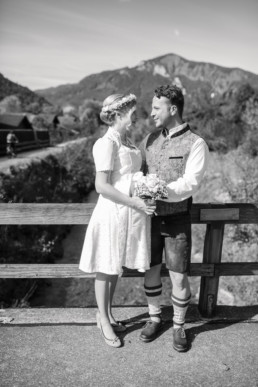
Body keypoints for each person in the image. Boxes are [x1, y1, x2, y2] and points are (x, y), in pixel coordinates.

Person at [79, 93, 156, 348]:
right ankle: (102, 319)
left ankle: (109, 315)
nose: (136, 117)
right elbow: (101, 186)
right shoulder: (107, 143)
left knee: (114, 268)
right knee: (105, 266)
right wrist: (134, 201)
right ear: (120, 114)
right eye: (132, 112)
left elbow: (130, 175)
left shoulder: (126, 140)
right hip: (111, 213)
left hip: (125, 215)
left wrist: (145, 186)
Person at [139, 84, 209, 352]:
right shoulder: (150, 139)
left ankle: (179, 326)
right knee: (151, 269)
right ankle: (154, 318)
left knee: (179, 275)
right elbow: (140, 174)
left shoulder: (196, 143)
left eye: (157, 108)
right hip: (149, 219)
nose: (152, 112)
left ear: (173, 109)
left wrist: (158, 191)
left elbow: (191, 183)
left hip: (178, 218)